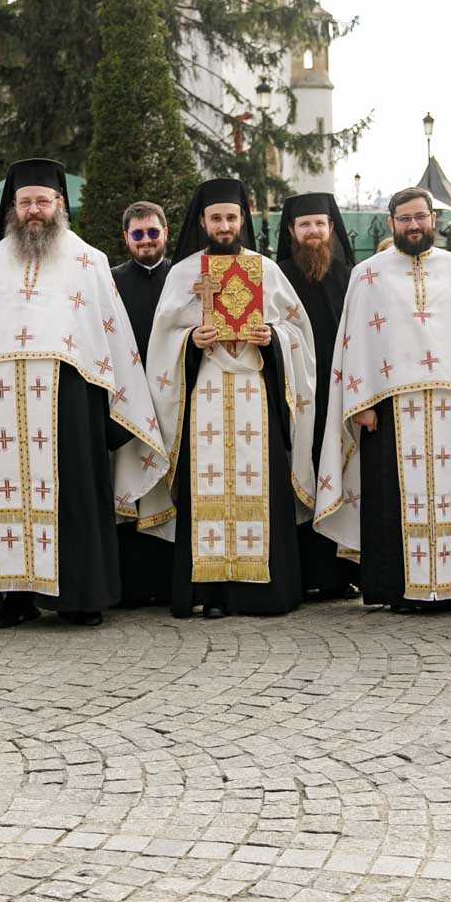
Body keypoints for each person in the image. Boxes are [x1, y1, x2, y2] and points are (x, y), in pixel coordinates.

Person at [0, 159, 166, 628]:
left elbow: (111, 336)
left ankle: (79, 597)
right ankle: (14, 598)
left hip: (71, 401)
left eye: (43, 201)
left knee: (74, 494)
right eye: (26, 202)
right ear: (12, 208)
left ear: (60, 204)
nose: (34, 210)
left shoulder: (88, 261)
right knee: (5, 494)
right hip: (1, 402)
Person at [141, 178, 317, 618]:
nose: (224, 226)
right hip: (204, 393)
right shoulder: (184, 273)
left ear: (242, 220)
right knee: (207, 486)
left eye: (231, 218)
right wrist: (190, 340)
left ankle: (263, 592)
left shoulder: (265, 270)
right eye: (216, 218)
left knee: (260, 482)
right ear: (202, 222)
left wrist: (273, 337)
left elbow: (298, 331)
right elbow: (162, 340)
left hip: (255, 394)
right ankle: (212, 592)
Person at [314, 188, 451, 612]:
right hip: (389, 404)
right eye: (405, 218)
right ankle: (397, 588)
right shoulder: (368, 273)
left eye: (421, 217)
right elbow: (354, 339)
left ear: (433, 219)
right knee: (392, 496)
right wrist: (361, 402)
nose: (414, 225)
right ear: (392, 222)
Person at [275, 190, 358, 600]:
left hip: (340, 395)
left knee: (342, 474)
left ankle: (340, 573)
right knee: (298, 474)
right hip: (294, 397)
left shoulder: (351, 277)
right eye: (305, 224)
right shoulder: (276, 277)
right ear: (292, 231)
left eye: (319, 224)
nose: (312, 231)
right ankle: (302, 572)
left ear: (330, 229)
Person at [111, 200, 174, 606]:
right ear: (126, 238)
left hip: (172, 399)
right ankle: (132, 586)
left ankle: (168, 583)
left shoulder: (182, 278)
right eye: (138, 234)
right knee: (129, 485)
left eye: (153, 232)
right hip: (129, 401)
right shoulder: (110, 281)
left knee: (171, 487)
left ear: (165, 233)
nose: (146, 240)